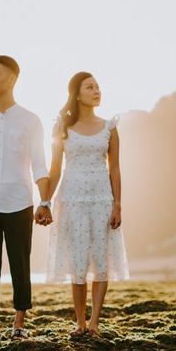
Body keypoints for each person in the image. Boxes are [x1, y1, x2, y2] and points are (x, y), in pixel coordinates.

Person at [0, 55, 52, 344]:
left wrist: (45, 201)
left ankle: (18, 324)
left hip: (19, 201)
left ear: (12, 78)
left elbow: (39, 164)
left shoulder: (31, 120)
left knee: (20, 263)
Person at [44, 72, 130, 337]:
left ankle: (94, 323)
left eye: (98, 87)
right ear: (77, 93)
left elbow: (114, 169)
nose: (96, 91)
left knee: (101, 261)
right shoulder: (63, 128)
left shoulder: (110, 127)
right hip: (71, 200)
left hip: (102, 199)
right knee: (78, 262)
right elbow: (55, 169)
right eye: (90, 87)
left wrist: (117, 205)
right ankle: (79, 322)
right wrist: (45, 200)